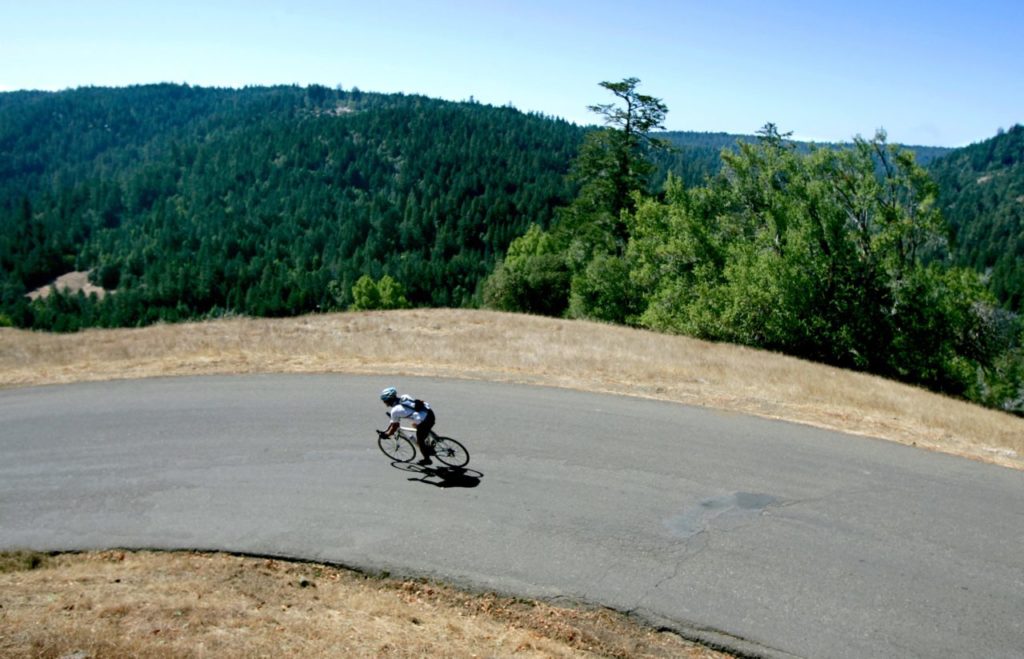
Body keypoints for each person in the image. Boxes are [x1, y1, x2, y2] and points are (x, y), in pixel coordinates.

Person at [380, 386, 436, 465]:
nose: (384, 402)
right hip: (429, 413)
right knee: (415, 424)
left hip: (425, 421)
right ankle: (433, 436)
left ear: (388, 400)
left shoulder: (394, 411)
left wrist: (387, 434)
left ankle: (427, 460)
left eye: (384, 401)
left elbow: (395, 426)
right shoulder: (405, 397)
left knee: (420, 442)